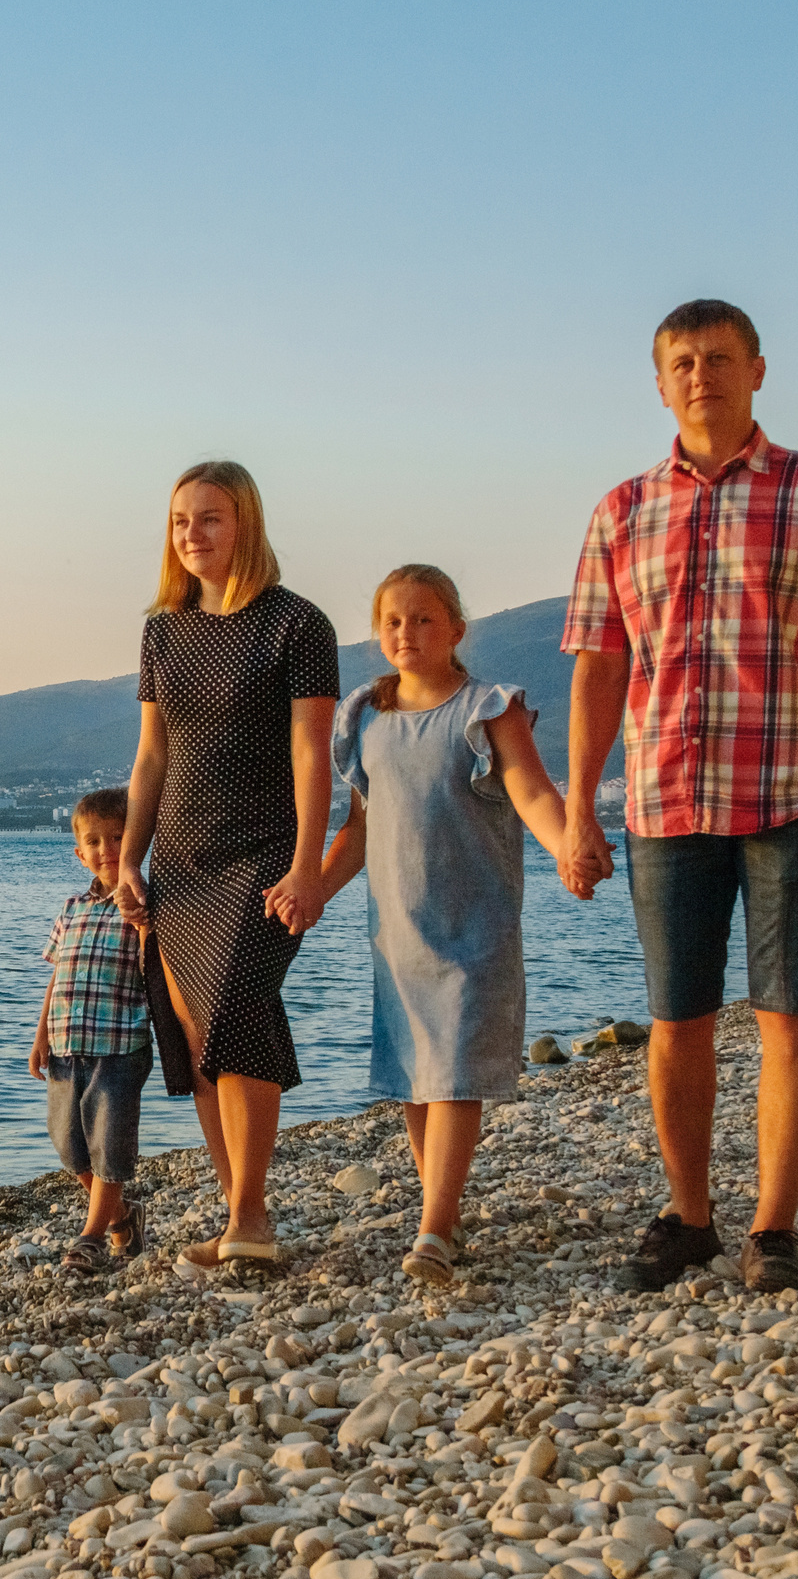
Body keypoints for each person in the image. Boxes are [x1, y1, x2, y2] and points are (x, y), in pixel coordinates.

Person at [561, 299, 798, 1297]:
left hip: (797, 790)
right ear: (659, 382)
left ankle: (774, 1227)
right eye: (681, 361)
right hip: (664, 799)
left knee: (790, 1016)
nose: (700, 373)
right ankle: (690, 1214)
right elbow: (597, 666)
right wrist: (578, 803)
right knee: (678, 1018)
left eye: (718, 358)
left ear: (756, 370)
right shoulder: (620, 510)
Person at [316, 566, 596, 1288]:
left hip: (475, 926)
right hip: (398, 931)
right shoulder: (363, 719)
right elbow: (358, 828)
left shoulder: (486, 709)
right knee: (418, 1075)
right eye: (393, 622)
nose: (406, 634)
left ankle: (435, 1227)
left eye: (423, 620)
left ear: (456, 630)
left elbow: (531, 790)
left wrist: (569, 844)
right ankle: (441, 1214)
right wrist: (310, 890)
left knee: (455, 1078)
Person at [114, 460, 339, 1267]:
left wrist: (309, 865)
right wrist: (128, 862)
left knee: (240, 1007)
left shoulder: (297, 625)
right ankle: (242, 1214)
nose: (191, 534)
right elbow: (150, 758)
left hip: (265, 853)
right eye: (180, 521)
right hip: (180, 856)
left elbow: (313, 755)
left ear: (245, 522)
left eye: (209, 518)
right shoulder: (162, 630)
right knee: (198, 1030)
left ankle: (249, 1217)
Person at [29, 786, 155, 1276]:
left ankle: (90, 1238)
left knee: (109, 1142)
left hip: (119, 1045)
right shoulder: (71, 908)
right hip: (65, 1044)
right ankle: (124, 1217)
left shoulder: (144, 905)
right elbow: (57, 974)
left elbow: (153, 971)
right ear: (81, 854)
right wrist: (40, 1035)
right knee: (70, 1145)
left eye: (119, 838)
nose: (108, 850)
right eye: (96, 842)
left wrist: (142, 922)